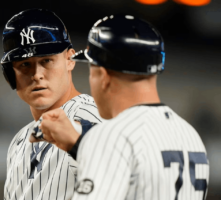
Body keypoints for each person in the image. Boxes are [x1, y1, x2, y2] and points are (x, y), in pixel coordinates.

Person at [31, 14, 210, 200]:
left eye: (92, 72)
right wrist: (78, 146)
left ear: (104, 75)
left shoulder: (111, 136)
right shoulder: (190, 135)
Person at [0, 8, 102, 200]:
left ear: (69, 59)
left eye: (47, 60)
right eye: (24, 64)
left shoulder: (90, 116)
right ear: (10, 75)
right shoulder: (19, 141)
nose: (37, 74)